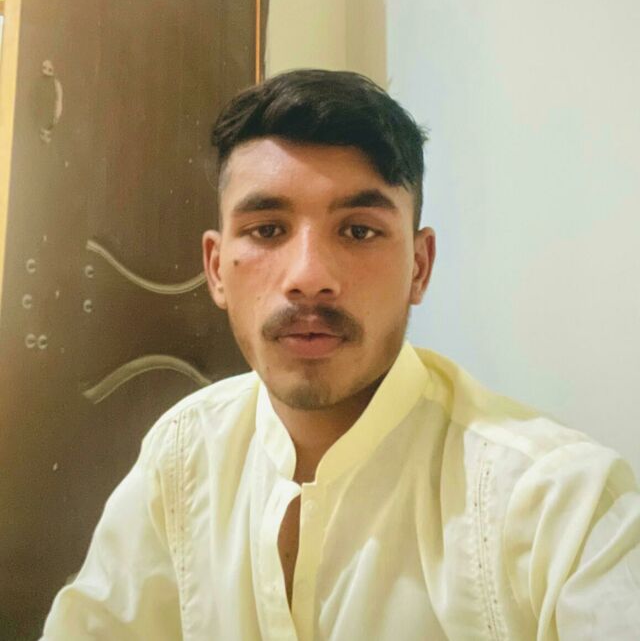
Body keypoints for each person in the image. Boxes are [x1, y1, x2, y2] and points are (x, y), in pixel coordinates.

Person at [42, 69, 640, 640]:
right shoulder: (183, 454)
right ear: (217, 268)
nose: (308, 277)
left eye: (358, 231)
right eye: (267, 230)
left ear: (419, 267)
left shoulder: (561, 503)